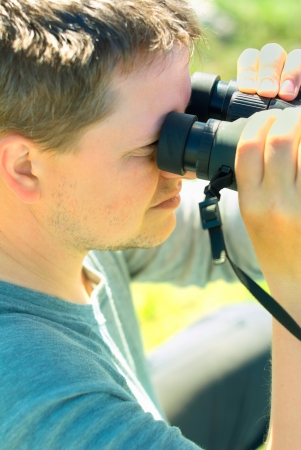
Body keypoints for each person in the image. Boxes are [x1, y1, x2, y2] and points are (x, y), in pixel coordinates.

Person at [0, 0, 300, 448]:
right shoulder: (34, 398)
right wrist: (293, 288)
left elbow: (246, 232)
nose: (179, 170)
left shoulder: (55, 221)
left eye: (191, 120)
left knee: (254, 333)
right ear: (25, 166)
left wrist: (283, 139)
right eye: (153, 147)